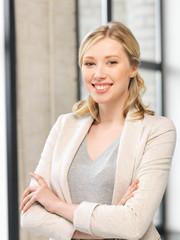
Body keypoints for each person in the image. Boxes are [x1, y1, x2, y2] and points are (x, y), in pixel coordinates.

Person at [20, 22, 176, 240]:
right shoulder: (64, 125)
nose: (98, 74)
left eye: (111, 62)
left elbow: (133, 224)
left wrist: (56, 205)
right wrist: (95, 233)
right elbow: (29, 214)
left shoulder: (157, 131)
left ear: (133, 68)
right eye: (89, 63)